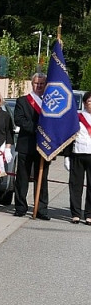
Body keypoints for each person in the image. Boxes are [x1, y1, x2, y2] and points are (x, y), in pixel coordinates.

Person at [13, 72, 51, 219]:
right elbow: (19, 120)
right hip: (25, 145)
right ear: (32, 83)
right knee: (22, 178)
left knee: (42, 179)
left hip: (44, 146)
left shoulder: (49, 103)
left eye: (42, 83)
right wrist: (37, 128)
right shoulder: (22, 101)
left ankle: (41, 209)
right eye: (37, 83)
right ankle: (20, 207)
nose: (39, 86)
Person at [66, 91, 91, 224]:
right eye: (90, 102)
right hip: (78, 153)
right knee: (76, 185)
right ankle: (75, 213)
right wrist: (67, 156)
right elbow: (69, 137)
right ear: (85, 103)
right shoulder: (77, 117)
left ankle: (89, 214)